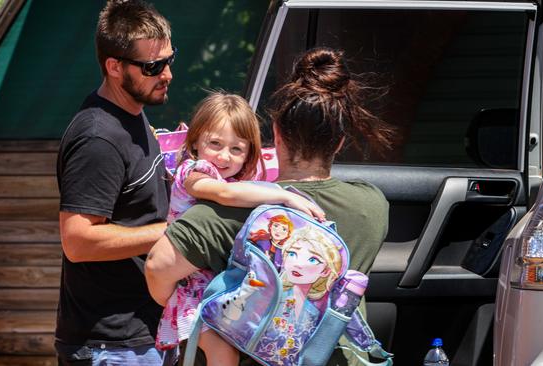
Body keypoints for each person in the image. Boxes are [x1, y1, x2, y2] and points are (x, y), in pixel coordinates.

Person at [145, 47, 394, 365]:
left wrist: (184, 303)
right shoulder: (372, 205)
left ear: (275, 134)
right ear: (340, 142)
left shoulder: (225, 213)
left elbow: (157, 266)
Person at [156, 92, 325, 366]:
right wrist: (285, 196)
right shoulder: (194, 171)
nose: (224, 156)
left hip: (219, 287)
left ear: (248, 153)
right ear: (195, 141)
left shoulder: (236, 180)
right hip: (193, 290)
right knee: (224, 355)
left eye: (236, 149)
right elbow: (223, 194)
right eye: (215, 143)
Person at [54, 1, 174, 364]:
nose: (167, 74)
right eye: (153, 66)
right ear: (115, 67)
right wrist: (177, 231)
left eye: (169, 59)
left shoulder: (132, 116)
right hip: (112, 346)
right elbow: (77, 240)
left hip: (142, 334)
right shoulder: (98, 139)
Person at [254, 226, 343, 365]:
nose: (298, 264)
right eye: (292, 254)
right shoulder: (272, 295)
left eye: (313, 259)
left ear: (325, 271)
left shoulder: (315, 311)